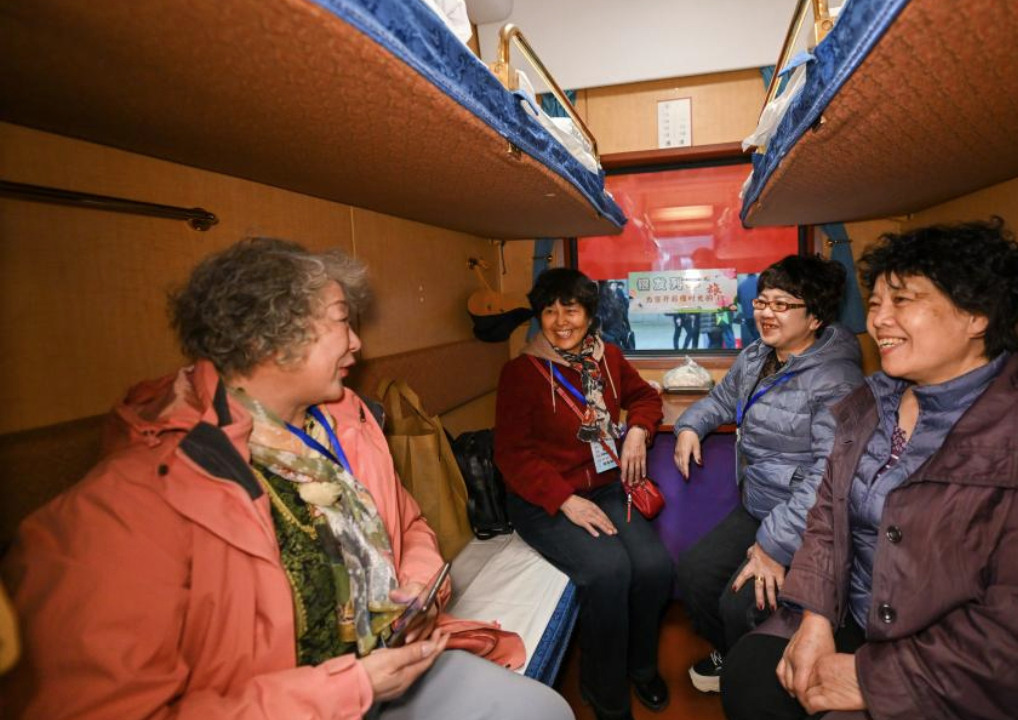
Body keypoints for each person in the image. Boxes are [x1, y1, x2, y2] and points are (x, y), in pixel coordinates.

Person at [0, 238, 572, 720]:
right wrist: (354, 688)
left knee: (547, 711)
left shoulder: (352, 421)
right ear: (267, 341)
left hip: (391, 663)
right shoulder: (127, 506)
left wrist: (419, 581)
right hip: (310, 700)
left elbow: (412, 522)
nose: (357, 344)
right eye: (342, 324)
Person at [720, 219, 1018, 720]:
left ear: (977, 315)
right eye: (875, 303)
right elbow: (826, 520)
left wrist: (868, 678)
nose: (879, 320)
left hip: (962, 660)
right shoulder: (869, 401)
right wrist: (815, 615)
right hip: (862, 617)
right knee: (750, 670)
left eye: (903, 301)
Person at [673, 254, 864, 694]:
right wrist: (689, 426)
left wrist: (775, 546)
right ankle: (732, 656)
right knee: (695, 572)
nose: (765, 313)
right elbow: (721, 400)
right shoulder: (758, 355)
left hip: (808, 521)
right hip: (758, 505)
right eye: (762, 302)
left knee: (740, 603)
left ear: (814, 316)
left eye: (782, 304)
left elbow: (828, 476)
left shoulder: (837, 379)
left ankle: (754, 678)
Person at [494, 268, 671, 720]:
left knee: (654, 567)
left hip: (605, 486)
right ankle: (604, 693)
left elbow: (646, 398)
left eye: (570, 309)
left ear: (589, 314)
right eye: (549, 311)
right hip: (546, 500)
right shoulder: (521, 372)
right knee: (609, 571)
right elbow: (513, 455)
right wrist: (565, 501)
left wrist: (637, 430)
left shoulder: (606, 358)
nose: (559, 321)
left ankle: (641, 666)